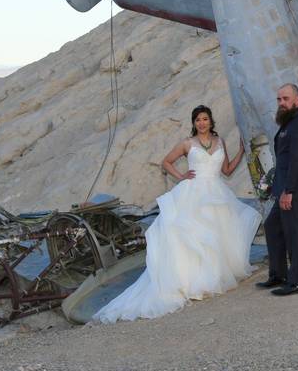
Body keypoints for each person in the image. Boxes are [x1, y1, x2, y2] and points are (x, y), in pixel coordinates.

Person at [92, 105, 260, 322]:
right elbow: (166, 162)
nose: (201, 123)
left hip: (217, 192)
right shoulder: (187, 143)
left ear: (211, 121)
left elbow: (226, 170)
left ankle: (214, 276)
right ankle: (194, 281)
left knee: (216, 235)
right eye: (198, 120)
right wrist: (181, 176)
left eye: (205, 119)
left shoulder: (220, 142)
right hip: (193, 193)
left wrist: (242, 151)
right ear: (194, 123)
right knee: (193, 236)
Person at [256, 83, 298, 296]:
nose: (281, 103)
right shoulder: (289, 123)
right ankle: (279, 275)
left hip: (295, 189)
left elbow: (297, 159)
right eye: (279, 99)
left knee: (294, 233)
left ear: (297, 100)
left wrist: (289, 190)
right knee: (273, 226)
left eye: (286, 99)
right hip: (284, 188)